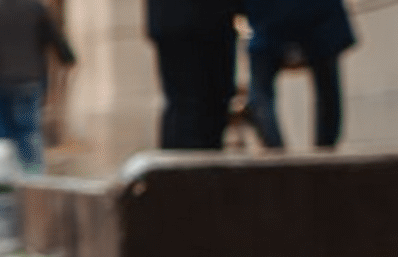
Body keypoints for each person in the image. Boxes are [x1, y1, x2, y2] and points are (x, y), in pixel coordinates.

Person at [0, 0, 76, 174]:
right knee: (28, 131)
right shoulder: (35, 7)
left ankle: (3, 180)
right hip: (29, 79)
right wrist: (67, 57)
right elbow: (55, 37)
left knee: (1, 134)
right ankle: (32, 180)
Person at [244, 0, 357, 150]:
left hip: (267, 20)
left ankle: (277, 155)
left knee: (260, 94)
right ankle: (324, 152)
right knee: (327, 88)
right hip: (319, 18)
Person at [146, 0, 243, 150]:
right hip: (203, 22)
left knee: (193, 105)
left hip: (181, 21)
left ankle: (187, 167)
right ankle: (191, 168)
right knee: (197, 107)